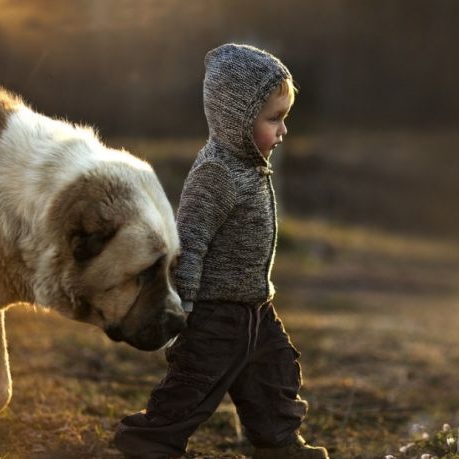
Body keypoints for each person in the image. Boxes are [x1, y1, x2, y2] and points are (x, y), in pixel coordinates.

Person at [113, 43, 328, 459]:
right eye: (274, 119)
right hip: (214, 310)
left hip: (255, 307)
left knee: (276, 372)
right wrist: (184, 303)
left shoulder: (250, 164)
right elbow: (189, 240)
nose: (283, 131)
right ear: (238, 119)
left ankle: (278, 444)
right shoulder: (216, 172)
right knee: (195, 381)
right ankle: (150, 440)